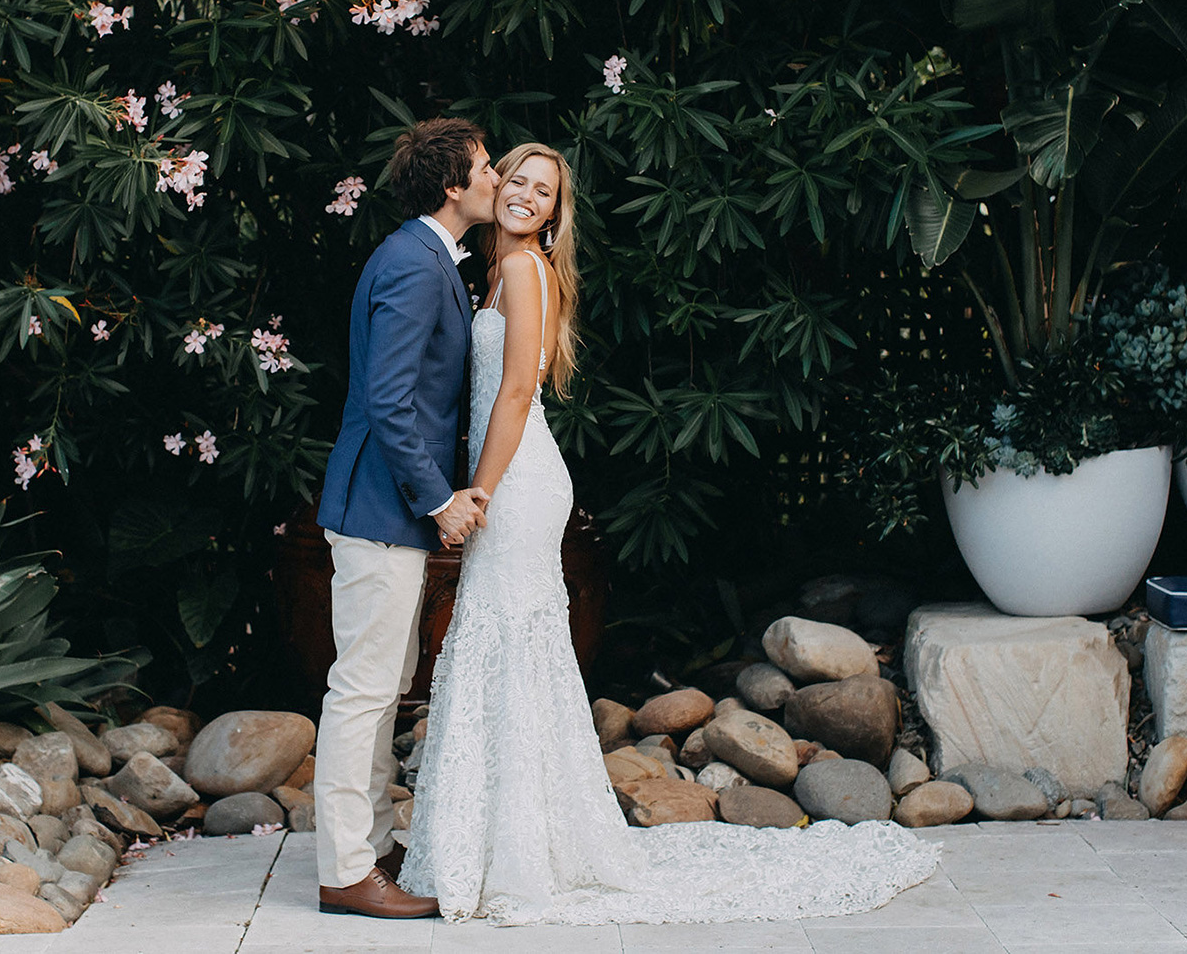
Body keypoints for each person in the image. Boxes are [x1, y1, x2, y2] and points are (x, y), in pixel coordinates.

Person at [400, 141, 942, 925]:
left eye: (542, 190)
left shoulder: (522, 271)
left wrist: (477, 488)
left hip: (514, 478)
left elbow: (516, 390)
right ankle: (509, 842)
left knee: (506, 643)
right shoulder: (499, 271)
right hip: (516, 470)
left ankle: (513, 852)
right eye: (515, 178)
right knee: (510, 649)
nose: (523, 194)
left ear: (555, 215)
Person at [311, 116, 500, 919]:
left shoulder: (420, 256)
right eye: (487, 167)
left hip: (388, 511)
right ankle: (347, 871)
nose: (496, 178)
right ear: (453, 184)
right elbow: (390, 400)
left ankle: (374, 843)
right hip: (380, 508)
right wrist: (441, 498)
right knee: (362, 690)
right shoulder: (418, 266)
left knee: (384, 684)